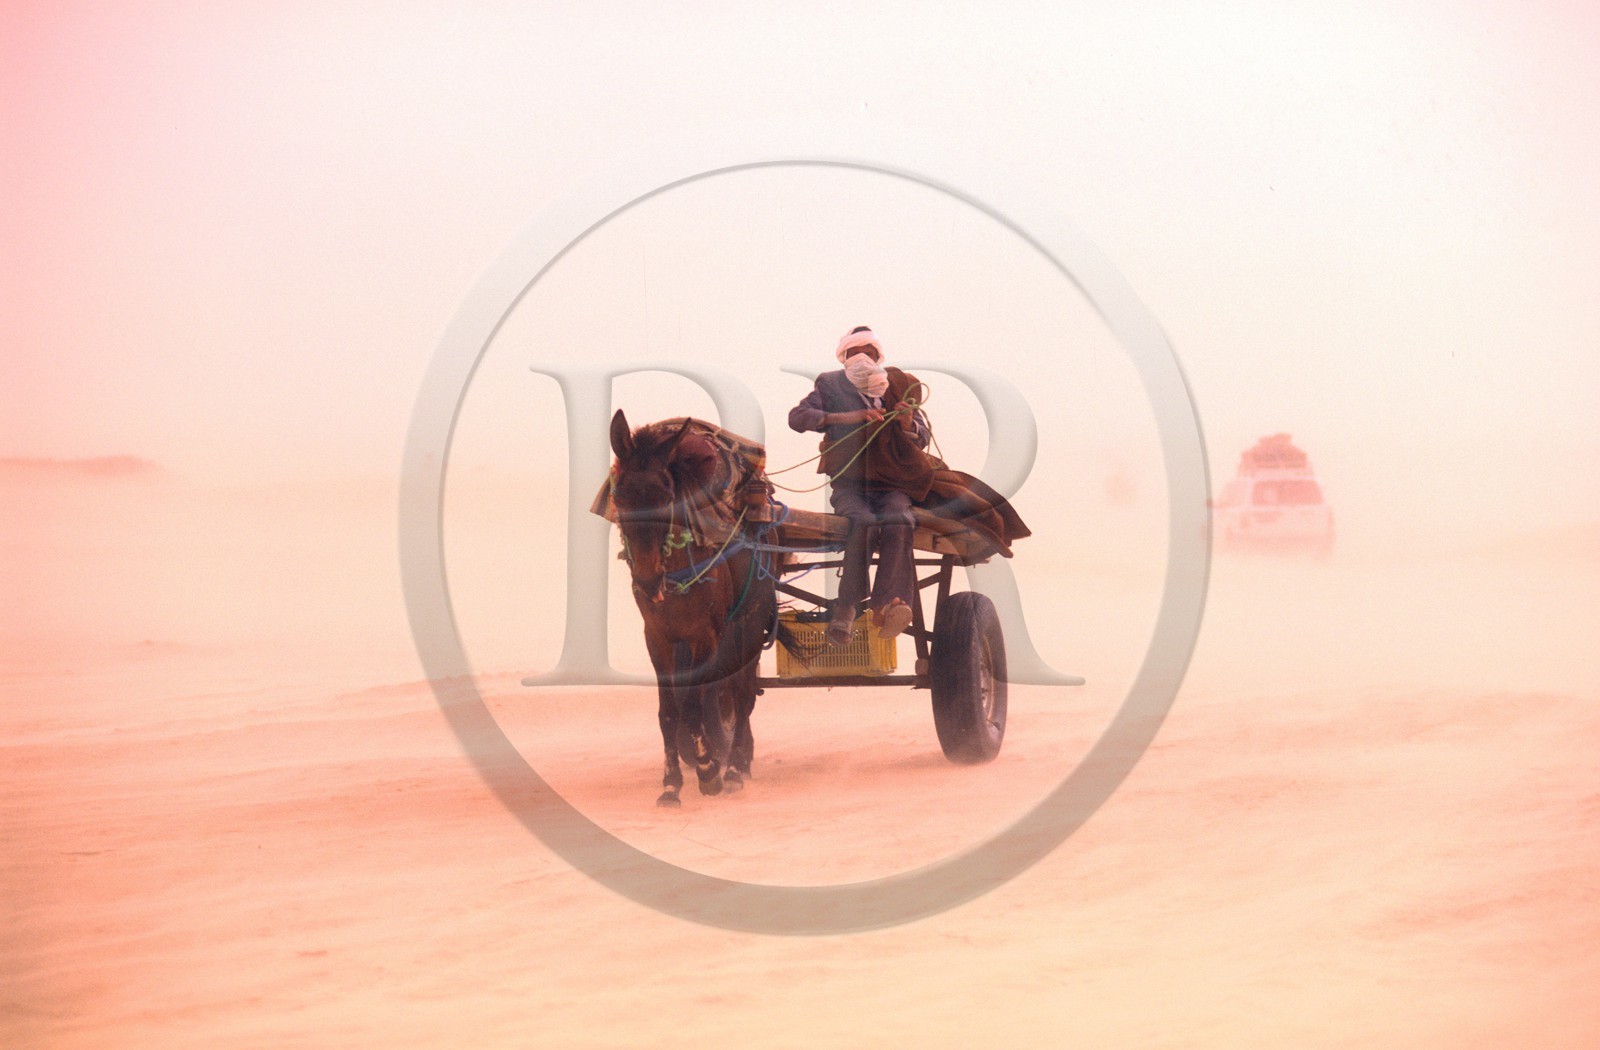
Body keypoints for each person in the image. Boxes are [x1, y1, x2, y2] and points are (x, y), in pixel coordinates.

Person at [788, 326, 932, 646]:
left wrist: (907, 423)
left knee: (900, 519)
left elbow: (922, 435)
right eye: (855, 352)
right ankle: (847, 608)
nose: (863, 357)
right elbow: (798, 417)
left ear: (879, 356)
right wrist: (849, 417)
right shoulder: (830, 384)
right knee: (862, 521)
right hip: (850, 485)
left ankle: (889, 605)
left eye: (869, 351)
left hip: (893, 483)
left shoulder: (900, 385)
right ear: (844, 357)